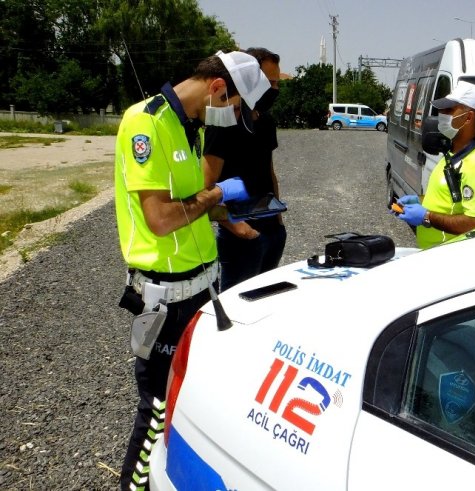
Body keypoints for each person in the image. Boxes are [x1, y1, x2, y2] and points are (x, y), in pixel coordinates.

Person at [114, 50, 270, 491]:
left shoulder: (190, 126)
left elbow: (191, 203)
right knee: (158, 405)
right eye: (234, 106)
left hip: (202, 286)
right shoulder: (145, 123)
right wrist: (215, 193)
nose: (230, 115)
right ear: (219, 88)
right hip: (166, 297)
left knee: (192, 396)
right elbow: (161, 219)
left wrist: (226, 214)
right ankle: (135, 485)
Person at [203, 47, 286, 292]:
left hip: (271, 229)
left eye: (277, 83)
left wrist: (279, 222)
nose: (274, 90)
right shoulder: (223, 120)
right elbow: (205, 187)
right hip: (240, 235)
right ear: (251, 80)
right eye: (269, 82)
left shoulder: (267, 122)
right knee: (235, 308)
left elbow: (269, 171)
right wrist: (236, 227)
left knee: (264, 302)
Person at [395, 80, 475, 249]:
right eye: (441, 109)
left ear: (469, 117)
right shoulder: (452, 153)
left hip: (451, 259)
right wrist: (420, 202)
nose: (441, 114)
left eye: (449, 110)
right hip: (435, 253)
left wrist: (426, 216)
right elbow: (448, 202)